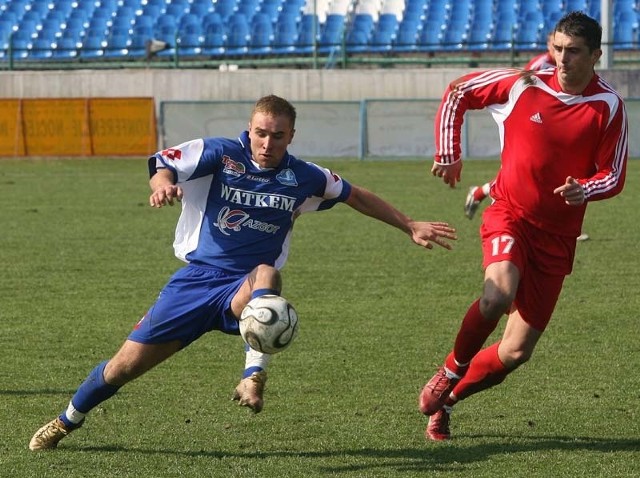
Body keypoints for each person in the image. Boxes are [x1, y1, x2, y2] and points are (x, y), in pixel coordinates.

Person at [29, 94, 457, 451]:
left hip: (243, 287)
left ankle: (253, 376)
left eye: (278, 135)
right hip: (195, 283)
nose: (268, 142)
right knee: (121, 368)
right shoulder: (221, 152)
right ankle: (68, 419)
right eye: (261, 132)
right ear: (249, 129)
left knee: (267, 274)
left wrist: (408, 224)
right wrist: (161, 184)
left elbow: (354, 195)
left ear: (292, 136)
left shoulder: (303, 176)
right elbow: (165, 161)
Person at [420, 12, 627, 441]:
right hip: (509, 213)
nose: (562, 58)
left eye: (573, 51)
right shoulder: (524, 84)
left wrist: (585, 189)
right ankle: (449, 370)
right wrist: (449, 151)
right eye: (556, 48)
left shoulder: (608, 106)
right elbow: (459, 92)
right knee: (497, 294)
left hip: (557, 237)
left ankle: (449, 401)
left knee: (515, 352)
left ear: (596, 56)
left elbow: (614, 173)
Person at [463, 29, 591, 242]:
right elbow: (523, 90)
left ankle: (479, 194)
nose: (560, 51)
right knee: (521, 180)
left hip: (553, 130)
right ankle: (504, 218)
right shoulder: (540, 65)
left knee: (554, 175)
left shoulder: (572, 68)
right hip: (532, 128)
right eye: (555, 45)